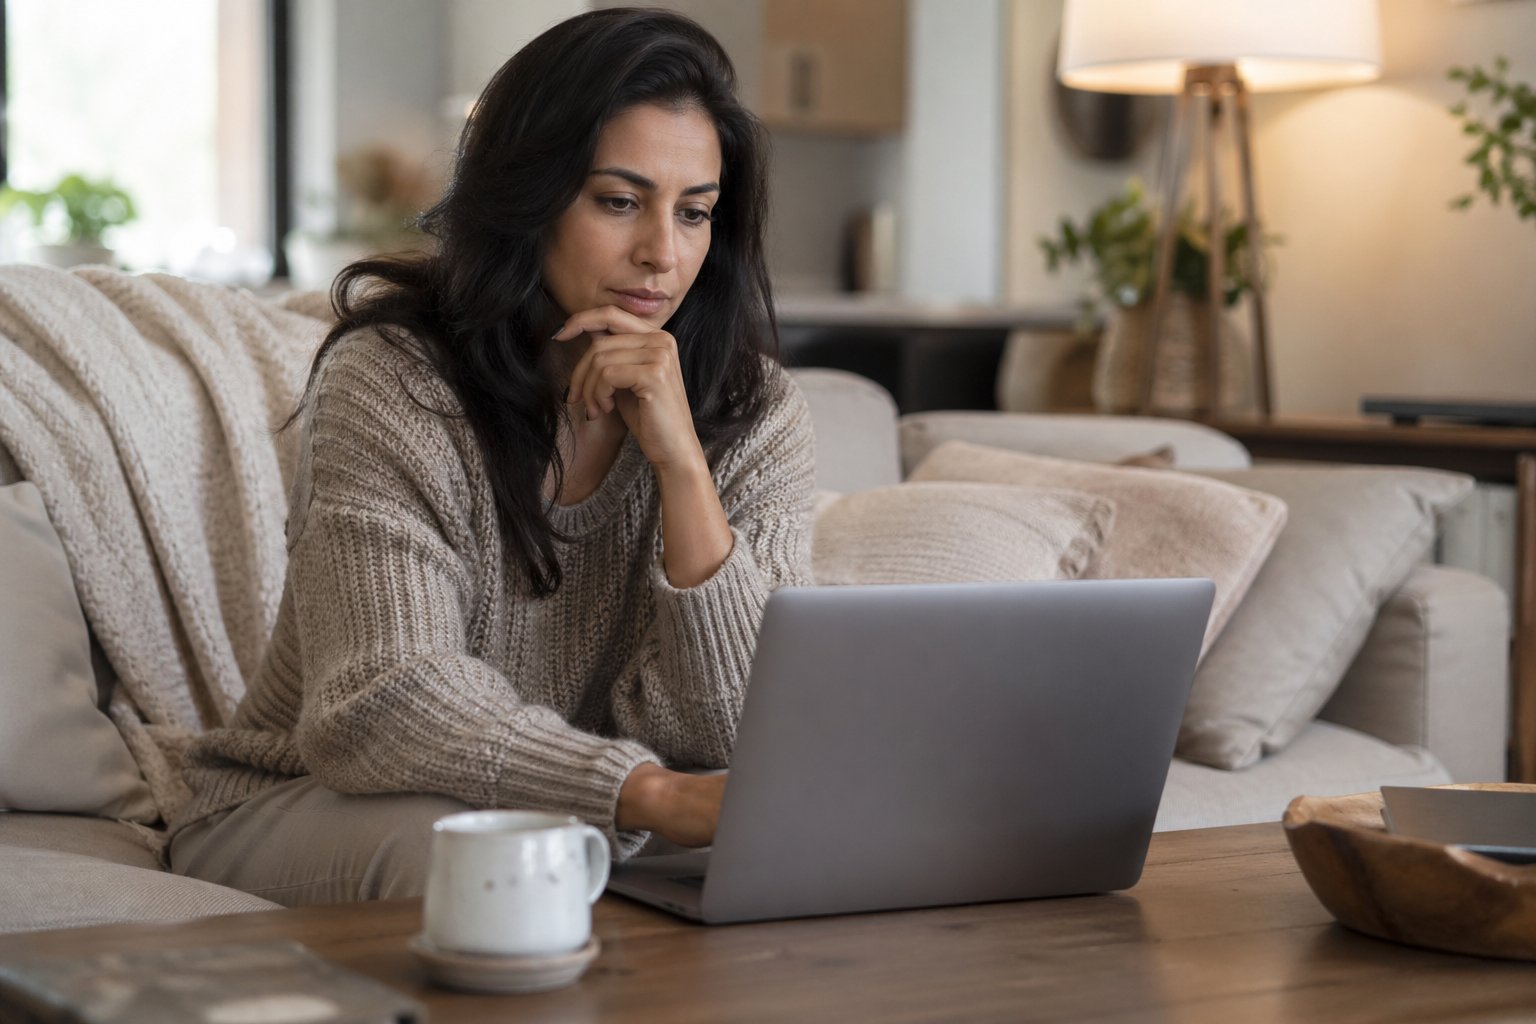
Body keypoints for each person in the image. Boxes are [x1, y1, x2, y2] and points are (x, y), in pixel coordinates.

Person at [169, 7, 814, 906]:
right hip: (310, 806)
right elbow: (382, 702)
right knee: (498, 864)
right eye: (619, 201)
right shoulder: (393, 382)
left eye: (695, 212)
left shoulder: (757, 413)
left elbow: (748, 735)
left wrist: (682, 469)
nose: (662, 254)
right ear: (530, 195)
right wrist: (647, 793)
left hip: (590, 835)